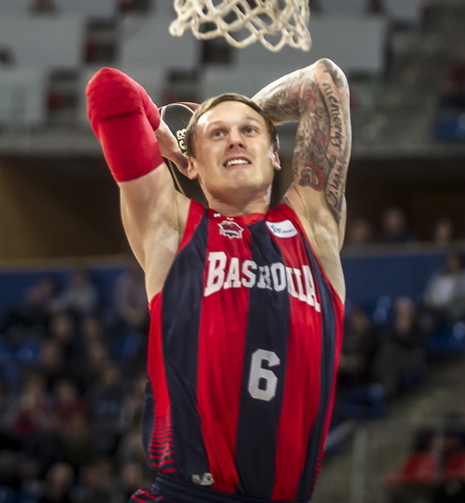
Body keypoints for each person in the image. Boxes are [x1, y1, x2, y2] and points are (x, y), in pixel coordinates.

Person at [86, 57, 351, 503]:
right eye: (217, 134)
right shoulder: (172, 226)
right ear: (191, 163)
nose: (234, 139)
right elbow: (110, 89)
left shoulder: (312, 225)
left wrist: (243, 113)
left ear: (274, 154)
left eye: (249, 131)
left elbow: (323, 80)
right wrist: (170, 139)